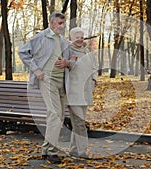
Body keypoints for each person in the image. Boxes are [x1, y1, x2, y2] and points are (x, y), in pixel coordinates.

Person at [18, 12, 75, 164]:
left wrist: (67, 62)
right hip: (47, 79)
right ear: (51, 23)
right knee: (55, 114)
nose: (62, 27)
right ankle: (52, 151)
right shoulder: (40, 37)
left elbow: (73, 59)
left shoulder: (64, 41)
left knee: (58, 116)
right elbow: (22, 52)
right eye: (59, 24)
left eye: (64, 24)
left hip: (62, 81)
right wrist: (36, 70)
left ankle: (45, 149)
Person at [66, 27, 98, 158]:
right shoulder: (67, 52)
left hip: (85, 92)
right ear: (71, 38)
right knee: (80, 123)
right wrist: (71, 61)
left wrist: (94, 81)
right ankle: (83, 150)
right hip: (73, 93)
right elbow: (66, 68)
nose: (79, 40)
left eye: (81, 37)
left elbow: (94, 68)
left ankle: (74, 149)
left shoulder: (87, 52)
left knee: (78, 122)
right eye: (76, 37)